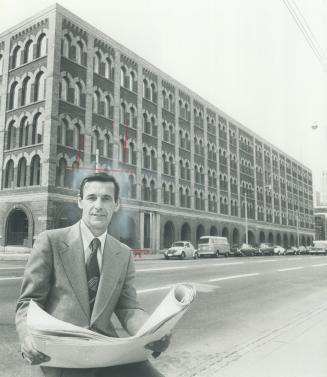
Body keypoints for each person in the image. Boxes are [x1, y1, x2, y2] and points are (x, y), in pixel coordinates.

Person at [16, 172, 170, 377]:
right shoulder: (50, 241)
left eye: (106, 198)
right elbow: (29, 302)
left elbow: (128, 308)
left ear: (116, 204)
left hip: (109, 354)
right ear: (80, 202)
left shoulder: (123, 253)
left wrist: (152, 331)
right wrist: (27, 338)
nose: (98, 205)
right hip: (61, 357)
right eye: (91, 198)